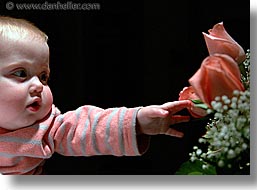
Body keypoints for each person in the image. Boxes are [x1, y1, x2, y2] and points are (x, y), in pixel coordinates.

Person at [0, 16, 192, 175]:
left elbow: (89, 127)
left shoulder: (47, 128)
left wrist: (138, 122)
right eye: (20, 73)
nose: (38, 86)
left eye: (43, 77)